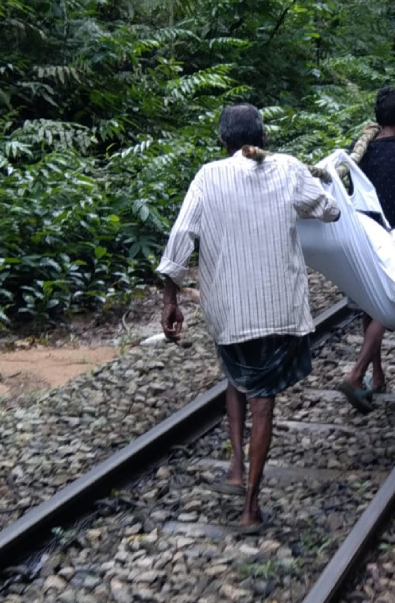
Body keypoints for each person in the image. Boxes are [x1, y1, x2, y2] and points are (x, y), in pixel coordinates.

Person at [157, 103, 341, 534]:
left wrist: (171, 300)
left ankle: (237, 466)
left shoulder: (208, 175)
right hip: (277, 310)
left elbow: (181, 237)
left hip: (228, 314)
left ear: (224, 142)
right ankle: (250, 508)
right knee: (264, 403)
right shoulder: (290, 169)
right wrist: (318, 182)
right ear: (263, 138)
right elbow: (330, 211)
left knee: (237, 379)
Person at [338, 87, 395, 413]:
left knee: (368, 304)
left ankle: (376, 375)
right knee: (383, 309)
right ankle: (357, 373)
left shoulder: (359, 153)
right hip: (389, 241)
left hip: (359, 238)